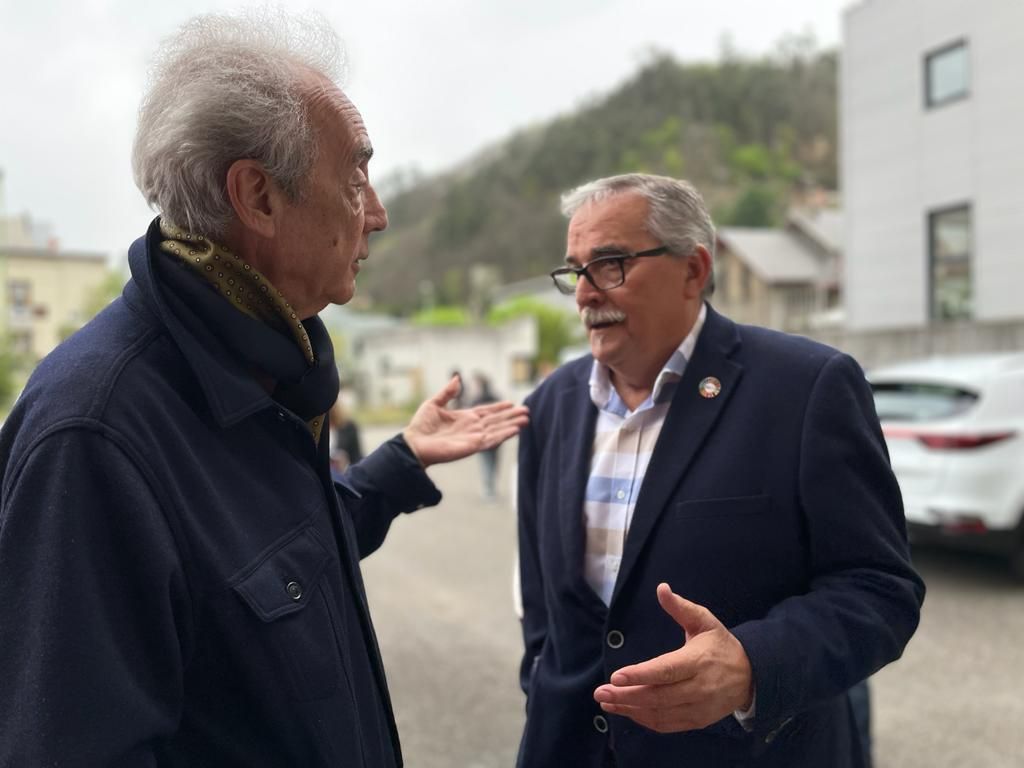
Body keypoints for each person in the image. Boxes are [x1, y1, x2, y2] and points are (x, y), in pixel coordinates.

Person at [0, 11, 527, 767]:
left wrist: (401, 461)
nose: (376, 214)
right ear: (259, 197)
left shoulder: (253, 361)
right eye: (355, 175)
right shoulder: (96, 436)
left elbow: (270, 563)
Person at [515, 173, 924, 768]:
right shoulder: (550, 404)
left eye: (610, 264)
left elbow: (880, 588)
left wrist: (752, 667)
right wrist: (541, 683)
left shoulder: (806, 388)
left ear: (693, 270)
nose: (584, 293)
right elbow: (543, 601)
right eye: (576, 271)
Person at [470, 372, 500, 499]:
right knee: (493, 465)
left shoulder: (477, 400)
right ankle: (490, 488)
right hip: (496, 438)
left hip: (483, 438)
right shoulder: (495, 398)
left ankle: (488, 490)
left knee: (486, 465)